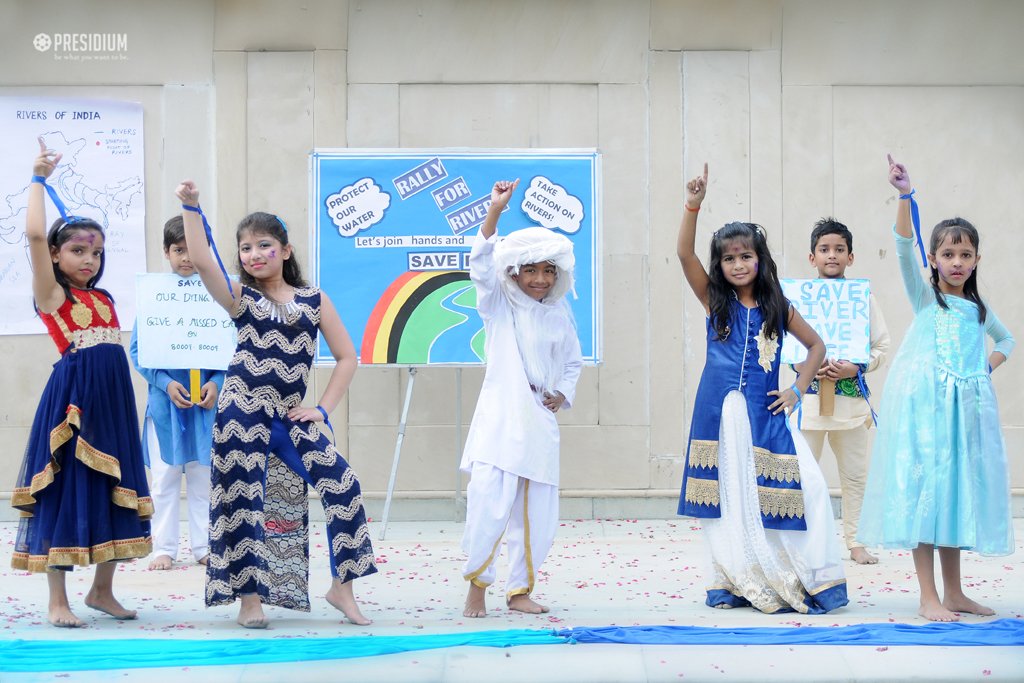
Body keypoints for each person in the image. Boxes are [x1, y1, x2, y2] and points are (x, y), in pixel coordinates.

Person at [176, 180, 376, 628]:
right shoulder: (241, 298)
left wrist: (321, 409)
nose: (254, 254)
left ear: (285, 250)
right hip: (241, 414)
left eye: (264, 244)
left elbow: (347, 357)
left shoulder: (313, 300)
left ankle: (342, 588)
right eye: (245, 248)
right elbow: (204, 261)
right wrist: (191, 207)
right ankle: (250, 600)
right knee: (245, 501)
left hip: (290, 415)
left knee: (343, 486)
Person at [675, 163, 848, 614]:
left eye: (745, 256)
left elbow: (816, 346)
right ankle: (734, 578)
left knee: (803, 486)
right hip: (719, 415)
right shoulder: (715, 299)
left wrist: (797, 389)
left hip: (764, 414)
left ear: (759, 259)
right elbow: (684, 256)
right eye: (729, 258)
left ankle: (801, 576)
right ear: (721, 264)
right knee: (729, 496)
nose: (737, 265)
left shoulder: (777, 306)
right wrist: (692, 206)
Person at [857, 156, 1014, 622]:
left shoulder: (978, 309)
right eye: (948, 254)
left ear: (977, 260)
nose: (957, 262)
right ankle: (927, 595)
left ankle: (955, 592)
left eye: (966, 255)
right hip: (927, 415)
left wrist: (981, 370)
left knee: (953, 498)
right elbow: (903, 245)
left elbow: (1007, 341)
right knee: (929, 496)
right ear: (935, 260)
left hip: (963, 418)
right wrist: (906, 195)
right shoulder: (929, 298)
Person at [11, 138, 152, 627]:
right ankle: (57, 600)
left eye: (95, 251)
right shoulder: (52, 294)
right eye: (76, 250)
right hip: (74, 406)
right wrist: (38, 179)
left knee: (117, 487)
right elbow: (31, 236)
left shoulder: (106, 297)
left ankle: (102, 591)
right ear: (54, 254)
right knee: (66, 490)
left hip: (112, 403)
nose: (88, 259)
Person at [460, 179, 583, 618]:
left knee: (536, 513)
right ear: (514, 272)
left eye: (548, 271)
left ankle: (519, 591)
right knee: (490, 503)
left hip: (538, 424)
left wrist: (561, 394)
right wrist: (494, 210)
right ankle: (477, 586)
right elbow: (480, 263)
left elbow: (572, 364)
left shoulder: (558, 316)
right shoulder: (499, 305)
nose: (540, 279)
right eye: (531, 270)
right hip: (500, 420)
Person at [129, 216, 224, 570]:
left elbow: (230, 349)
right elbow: (138, 351)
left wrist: (217, 382)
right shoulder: (154, 298)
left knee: (203, 478)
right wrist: (166, 383)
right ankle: (164, 548)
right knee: (165, 479)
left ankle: (203, 547)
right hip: (165, 406)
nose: (186, 258)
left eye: (191, 250)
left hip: (205, 406)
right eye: (178, 250)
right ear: (166, 252)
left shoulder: (218, 296)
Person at [793, 218, 890, 564]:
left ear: (850, 257)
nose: (831, 255)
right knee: (804, 475)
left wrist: (858, 366)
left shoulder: (863, 299)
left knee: (854, 476)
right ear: (811, 257)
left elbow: (881, 345)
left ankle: (856, 542)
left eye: (839, 250)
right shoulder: (799, 300)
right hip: (810, 403)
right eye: (824, 250)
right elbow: (788, 345)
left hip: (851, 405)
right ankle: (803, 540)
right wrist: (804, 366)